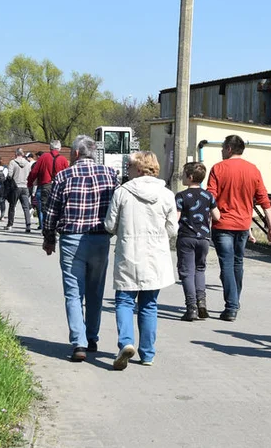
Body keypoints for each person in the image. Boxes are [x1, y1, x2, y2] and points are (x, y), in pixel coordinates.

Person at [41, 135, 119, 363]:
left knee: (73, 293)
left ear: (75, 154)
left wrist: (49, 239)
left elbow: (52, 211)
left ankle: (79, 343)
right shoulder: (110, 175)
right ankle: (92, 337)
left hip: (71, 239)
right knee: (95, 291)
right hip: (100, 240)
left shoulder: (64, 176)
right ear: (93, 153)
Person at [104, 150, 178, 370]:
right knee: (149, 305)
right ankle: (147, 353)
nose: (126, 171)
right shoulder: (166, 195)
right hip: (155, 257)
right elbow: (173, 229)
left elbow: (110, 225)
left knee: (125, 301)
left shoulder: (122, 192)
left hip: (129, 253)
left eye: (129, 167)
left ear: (138, 168)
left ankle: (126, 342)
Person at [207, 134, 271, 322]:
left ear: (229, 148)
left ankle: (231, 306)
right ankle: (235, 302)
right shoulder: (253, 170)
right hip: (243, 225)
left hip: (223, 224)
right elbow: (265, 201)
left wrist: (209, 219)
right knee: (238, 262)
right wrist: (270, 227)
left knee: (227, 264)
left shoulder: (218, 168)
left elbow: (210, 198)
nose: (221, 151)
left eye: (222, 147)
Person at [175, 161, 220, 321]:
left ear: (190, 177)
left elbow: (176, 218)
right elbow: (217, 216)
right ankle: (202, 303)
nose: (182, 177)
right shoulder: (208, 195)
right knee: (200, 269)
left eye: (184, 174)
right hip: (204, 238)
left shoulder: (181, 196)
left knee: (187, 272)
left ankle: (191, 307)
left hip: (187, 237)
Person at [28, 140, 70, 231]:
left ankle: (47, 228)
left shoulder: (43, 157)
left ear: (50, 148)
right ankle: (56, 227)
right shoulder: (63, 159)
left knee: (45, 208)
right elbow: (68, 175)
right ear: (59, 148)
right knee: (59, 206)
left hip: (45, 185)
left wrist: (30, 183)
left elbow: (34, 171)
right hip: (59, 186)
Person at [6, 148, 34, 233]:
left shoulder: (12, 162)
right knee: (26, 208)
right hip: (25, 187)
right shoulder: (28, 164)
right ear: (22, 154)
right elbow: (30, 175)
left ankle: (10, 224)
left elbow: (10, 175)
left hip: (16, 186)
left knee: (12, 206)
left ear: (16, 154)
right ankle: (28, 225)